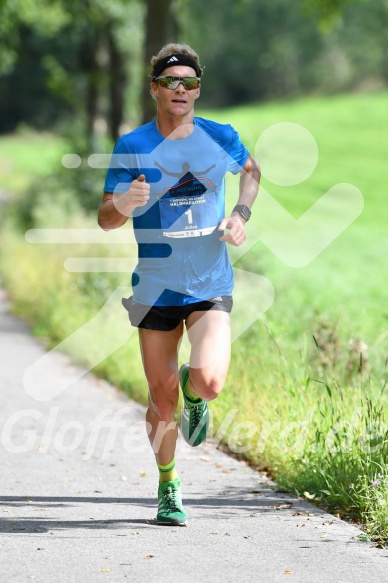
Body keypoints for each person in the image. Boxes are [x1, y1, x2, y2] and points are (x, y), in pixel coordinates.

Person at [98, 43, 260, 526]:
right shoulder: (132, 146)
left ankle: (195, 390)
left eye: (190, 82)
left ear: (197, 90)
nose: (181, 89)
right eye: (171, 81)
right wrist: (125, 200)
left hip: (210, 282)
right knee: (160, 395)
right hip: (155, 287)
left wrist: (240, 213)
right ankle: (169, 485)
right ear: (155, 89)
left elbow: (251, 173)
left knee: (208, 383)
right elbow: (106, 219)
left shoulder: (220, 136)